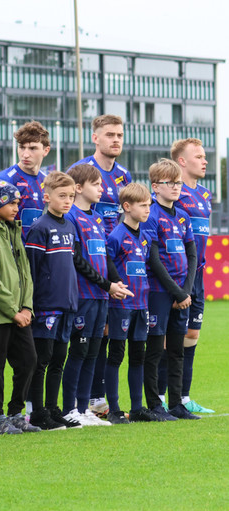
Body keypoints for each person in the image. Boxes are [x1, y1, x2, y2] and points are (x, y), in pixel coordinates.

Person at [68, 114, 133, 416]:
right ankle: (82, 402)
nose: (115, 140)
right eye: (109, 134)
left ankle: (95, 400)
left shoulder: (124, 176)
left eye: (119, 134)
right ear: (95, 138)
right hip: (86, 266)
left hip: (111, 260)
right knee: (84, 341)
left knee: (106, 336)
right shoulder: (81, 171)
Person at [0, 179, 41, 436]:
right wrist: (13, 311)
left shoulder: (13, 229)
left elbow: (26, 273)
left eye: (17, 203)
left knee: (29, 360)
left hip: (20, 313)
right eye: (11, 203)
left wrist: (26, 307)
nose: (16, 208)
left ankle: (16, 413)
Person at [141, 159, 199, 421]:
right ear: (155, 186)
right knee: (155, 350)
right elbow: (153, 260)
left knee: (177, 350)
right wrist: (176, 292)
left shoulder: (183, 215)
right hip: (159, 291)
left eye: (178, 183)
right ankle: (155, 405)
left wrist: (185, 291)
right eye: (170, 183)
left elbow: (192, 255)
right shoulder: (151, 215)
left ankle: (176, 404)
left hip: (181, 293)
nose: (176, 187)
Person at [23, 171, 77, 431]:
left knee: (59, 359)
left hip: (67, 304)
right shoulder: (39, 228)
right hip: (46, 306)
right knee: (41, 360)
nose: (67, 201)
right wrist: (31, 304)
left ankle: (53, 409)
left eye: (71, 196)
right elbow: (31, 271)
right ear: (46, 197)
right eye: (62, 196)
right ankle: (37, 412)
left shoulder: (70, 226)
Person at [104, 183, 156, 422]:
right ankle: (114, 410)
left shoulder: (145, 237)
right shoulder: (116, 236)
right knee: (116, 355)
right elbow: (107, 264)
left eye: (149, 205)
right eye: (143, 205)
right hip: (121, 306)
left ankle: (136, 408)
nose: (147, 210)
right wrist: (117, 285)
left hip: (141, 305)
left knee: (138, 356)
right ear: (127, 206)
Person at [171, 138, 214, 414]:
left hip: (198, 276)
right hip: (178, 276)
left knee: (192, 335)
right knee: (170, 338)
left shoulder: (205, 195)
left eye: (204, 156)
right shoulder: (175, 194)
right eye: (198, 157)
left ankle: (184, 397)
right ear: (182, 161)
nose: (204, 161)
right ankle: (163, 397)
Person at [0, 120, 50, 239]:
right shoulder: (4, 180)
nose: (25, 154)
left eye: (32, 148)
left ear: (46, 151)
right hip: (12, 249)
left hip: (37, 248)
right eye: (22, 147)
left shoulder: (47, 181)